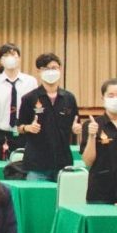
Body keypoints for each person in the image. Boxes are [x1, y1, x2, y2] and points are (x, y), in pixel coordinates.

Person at [17, 53, 80, 182]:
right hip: (37, 163)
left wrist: (76, 128)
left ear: (60, 69)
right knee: (37, 195)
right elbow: (19, 127)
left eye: (54, 68)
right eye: (46, 68)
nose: (51, 71)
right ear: (39, 71)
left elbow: (76, 123)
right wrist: (28, 127)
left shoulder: (69, 98)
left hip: (63, 162)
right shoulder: (29, 98)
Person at [0, 43, 37, 160]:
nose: (10, 58)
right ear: (0, 60)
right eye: (6, 55)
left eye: (13, 54)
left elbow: (34, 108)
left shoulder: (30, 81)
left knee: (21, 165)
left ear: (19, 58)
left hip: (22, 133)